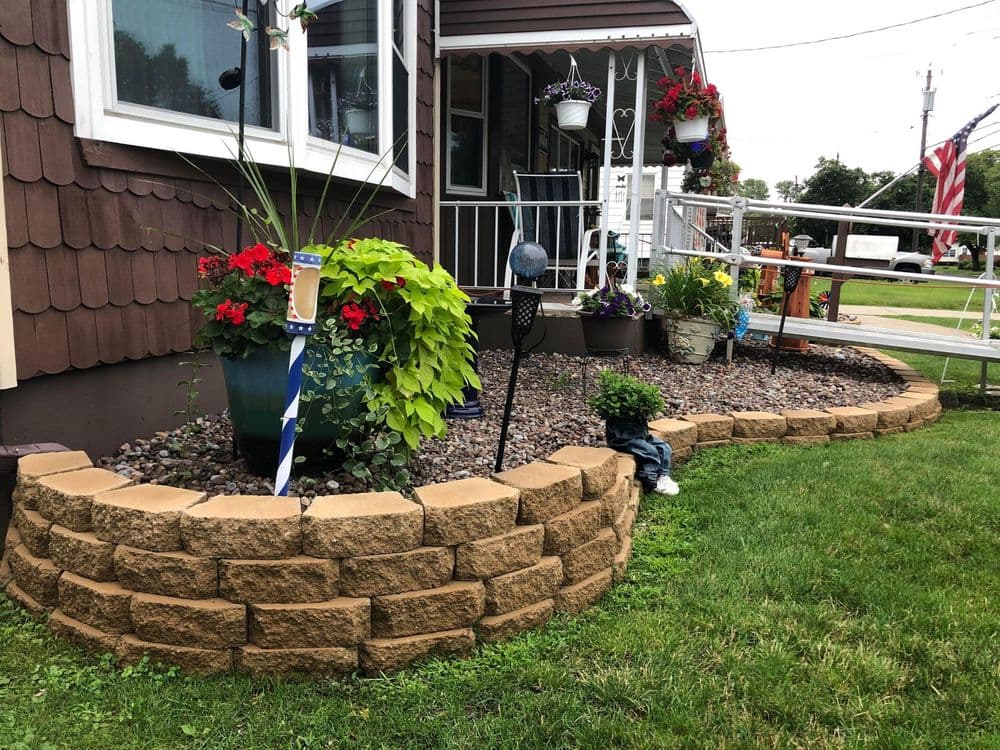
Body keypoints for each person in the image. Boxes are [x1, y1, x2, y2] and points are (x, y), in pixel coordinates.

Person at [605, 416, 679, 496]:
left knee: (665, 448)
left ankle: (663, 476)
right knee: (650, 451)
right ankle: (651, 481)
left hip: (641, 434)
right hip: (623, 438)